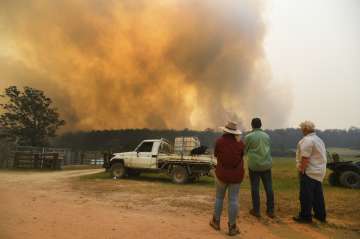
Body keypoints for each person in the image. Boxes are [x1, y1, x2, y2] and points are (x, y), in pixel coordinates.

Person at [209, 121, 245, 236]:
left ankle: (216, 222)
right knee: (233, 200)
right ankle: (232, 227)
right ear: (235, 132)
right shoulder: (240, 144)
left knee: (219, 198)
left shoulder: (219, 142)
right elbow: (241, 156)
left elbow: (215, 155)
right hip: (236, 175)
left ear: (225, 130)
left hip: (222, 174)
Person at [293, 121, 327, 223]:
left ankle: (305, 216)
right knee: (318, 195)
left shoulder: (307, 140)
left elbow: (305, 158)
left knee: (305, 195)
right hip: (319, 171)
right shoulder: (319, 139)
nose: (301, 130)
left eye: (302, 128)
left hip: (309, 172)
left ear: (305, 129)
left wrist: (302, 170)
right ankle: (320, 215)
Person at [244, 118, 275, 218]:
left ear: (252, 125)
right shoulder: (267, 136)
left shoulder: (248, 137)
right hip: (266, 164)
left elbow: (245, 150)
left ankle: (256, 210)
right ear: (261, 125)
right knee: (269, 188)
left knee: (255, 188)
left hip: (254, 165)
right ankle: (271, 210)